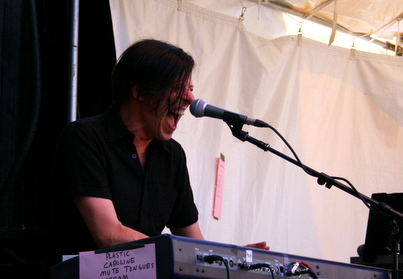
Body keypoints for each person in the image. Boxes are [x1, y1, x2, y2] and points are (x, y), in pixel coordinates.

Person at [51, 39, 268, 260]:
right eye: (177, 88)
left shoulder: (172, 155)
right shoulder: (85, 138)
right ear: (140, 91)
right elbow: (110, 235)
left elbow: (193, 241)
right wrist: (187, 255)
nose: (190, 98)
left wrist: (230, 259)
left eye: (191, 88)